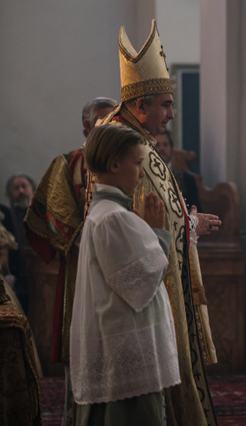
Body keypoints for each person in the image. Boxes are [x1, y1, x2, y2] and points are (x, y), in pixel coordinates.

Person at [97, 19, 220, 425]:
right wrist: (190, 226)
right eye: (165, 105)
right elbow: (141, 222)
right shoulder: (129, 148)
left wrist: (189, 222)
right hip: (141, 290)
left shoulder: (136, 144)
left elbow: (160, 213)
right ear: (140, 106)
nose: (171, 114)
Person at [70, 124, 179, 425]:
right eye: (137, 163)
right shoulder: (113, 217)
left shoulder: (108, 213)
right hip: (126, 348)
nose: (141, 173)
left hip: (119, 344)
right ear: (115, 164)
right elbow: (140, 282)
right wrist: (158, 233)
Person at [24, 96, 116, 424]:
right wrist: (89, 237)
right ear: (86, 126)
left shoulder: (128, 162)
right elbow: (52, 213)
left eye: (114, 120)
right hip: (81, 268)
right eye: (102, 120)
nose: (109, 126)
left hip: (118, 266)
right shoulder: (68, 164)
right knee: (82, 349)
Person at [3, 174, 36, 311]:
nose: (21, 191)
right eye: (16, 188)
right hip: (16, 283)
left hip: (40, 279)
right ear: (10, 194)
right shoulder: (5, 219)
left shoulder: (43, 217)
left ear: (33, 190)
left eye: (24, 186)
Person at [154, 129, 201, 210]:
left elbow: (196, 210)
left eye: (165, 145)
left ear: (172, 150)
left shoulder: (188, 180)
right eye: (157, 145)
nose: (161, 149)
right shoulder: (144, 177)